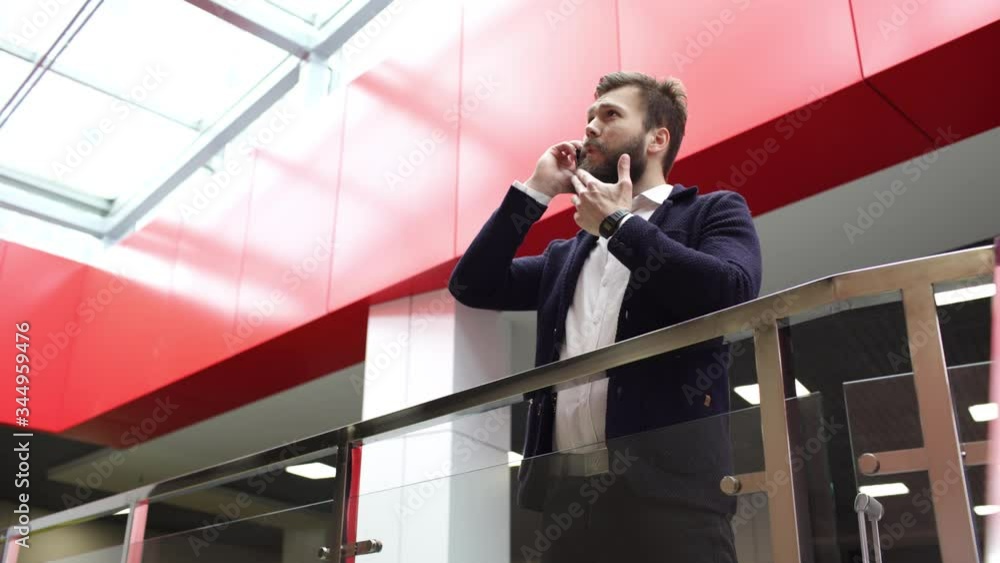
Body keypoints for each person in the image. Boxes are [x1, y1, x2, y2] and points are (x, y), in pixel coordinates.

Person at [449, 71, 762, 562]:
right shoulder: (565, 255)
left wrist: (619, 226)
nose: (591, 126)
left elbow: (731, 291)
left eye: (611, 115)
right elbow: (472, 284)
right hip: (566, 508)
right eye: (589, 117)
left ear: (658, 138)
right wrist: (534, 190)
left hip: (672, 502)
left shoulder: (712, 211)